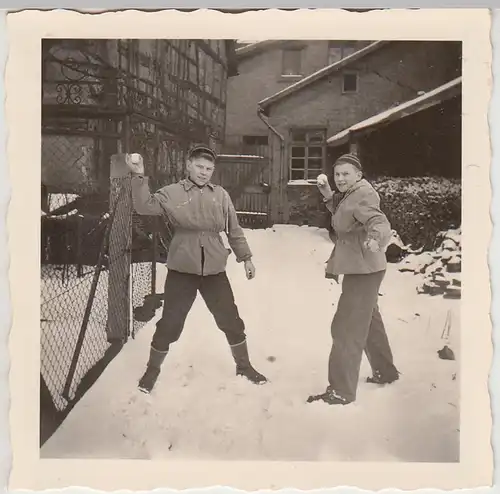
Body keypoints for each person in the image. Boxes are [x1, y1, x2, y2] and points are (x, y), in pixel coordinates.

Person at [127, 144, 268, 394]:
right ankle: (152, 370)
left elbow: (233, 230)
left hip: (214, 270)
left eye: (209, 169)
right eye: (200, 167)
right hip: (182, 269)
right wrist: (139, 175)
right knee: (170, 323)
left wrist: (245, 257)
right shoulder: (172, 193)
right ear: (188, 165)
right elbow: (144, 206)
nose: (204, 172)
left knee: (231, 320)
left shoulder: (221, 195)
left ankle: (244, 366)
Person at [308, 153, 400, 406]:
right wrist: (328, 195)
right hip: (365, 268)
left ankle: (341, 391)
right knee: (368, 320)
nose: (340, 178)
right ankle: (385, 371)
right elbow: (343, 213)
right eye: (337, 174)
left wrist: (376, 239)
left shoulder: (363, 195)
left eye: (346, 173)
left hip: (363, 270)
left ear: (359, 175)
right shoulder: (353, 194)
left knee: (346, 328)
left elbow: (378, 221)